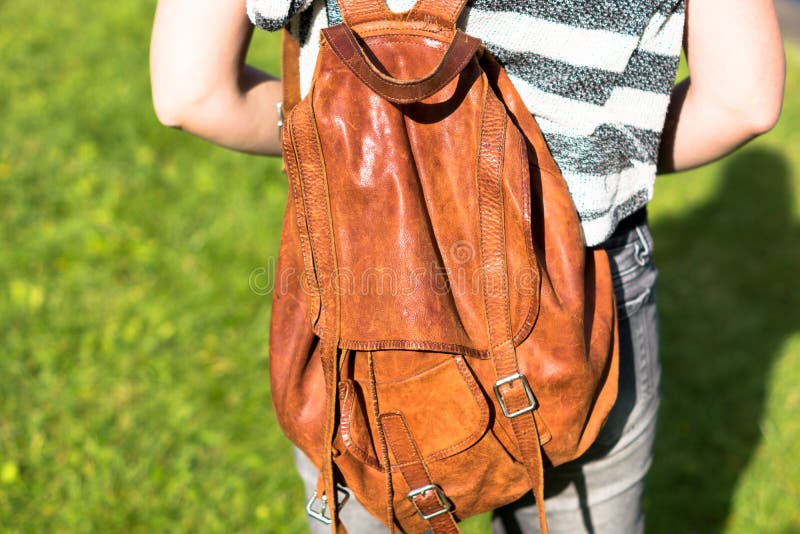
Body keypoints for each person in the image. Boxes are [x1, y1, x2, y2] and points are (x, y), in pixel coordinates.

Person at [150, 1, 785, 532]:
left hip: (363, 294)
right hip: (582, 294)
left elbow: (193, 93)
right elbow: (742, 102)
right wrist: (598, 162)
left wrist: (340, 138)